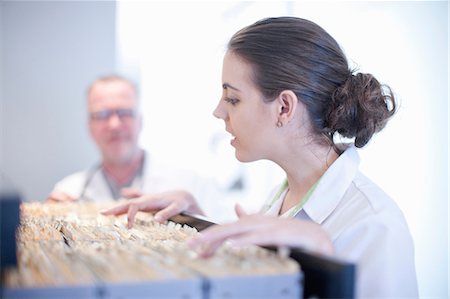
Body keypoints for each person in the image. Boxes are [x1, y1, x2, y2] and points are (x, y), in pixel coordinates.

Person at [101, 17, 418, 297]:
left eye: (233, 99)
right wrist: (194, 223)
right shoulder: (282, 199)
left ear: (284, 107)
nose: (218, 111)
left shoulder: (375, 225)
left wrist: (324, 262)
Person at [46, 75, 222, 219]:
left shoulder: (191, 184)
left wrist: (194, 220)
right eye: (102, 114)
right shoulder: (68, 191)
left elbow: (229, 247)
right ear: (89, 126)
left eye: (125, 113)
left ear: (141, 122)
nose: (114, 124)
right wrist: (48, 222)